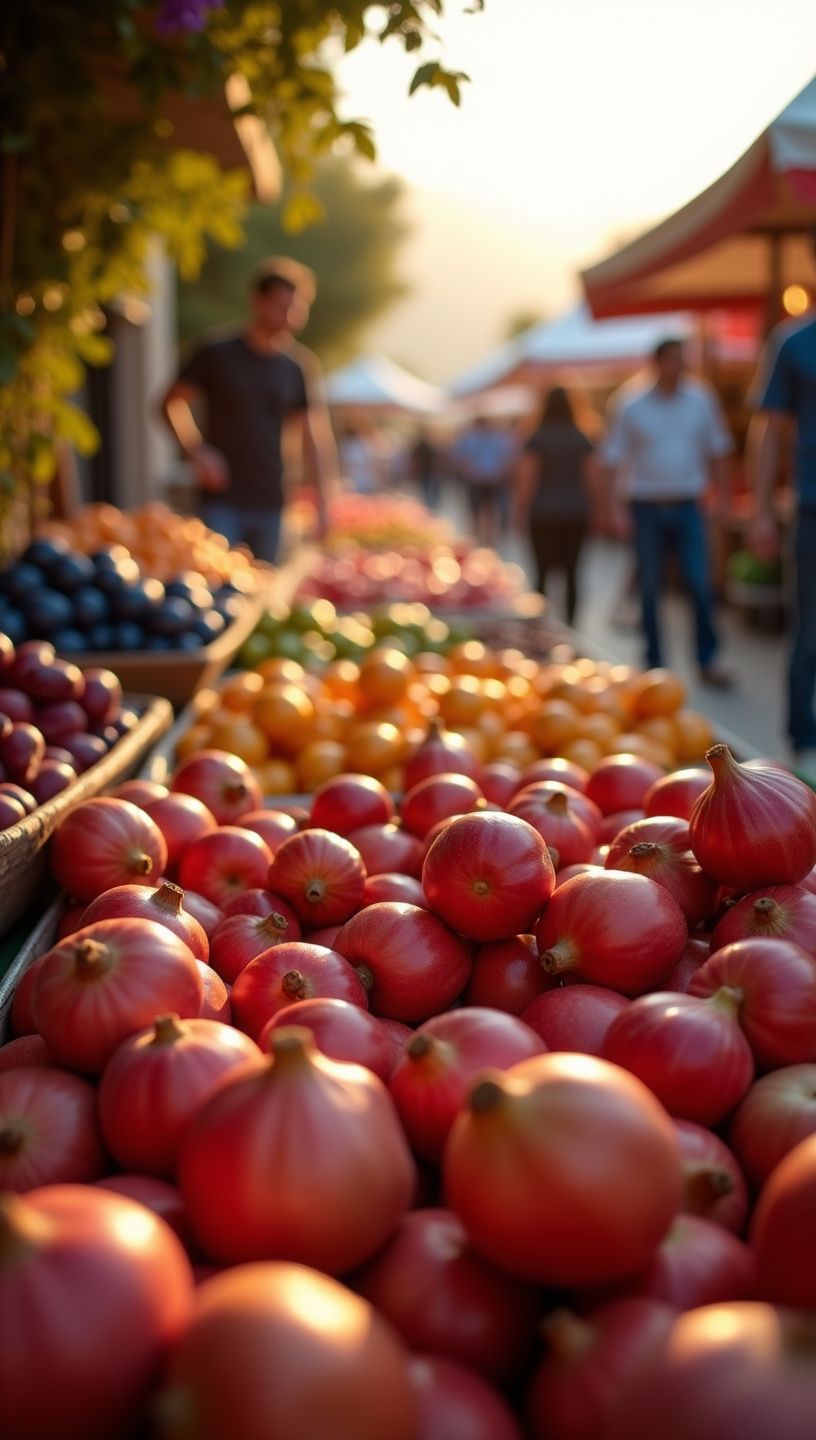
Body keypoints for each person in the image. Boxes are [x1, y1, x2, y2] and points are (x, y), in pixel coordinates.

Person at [160, 257, 334, 562]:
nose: (289, 317)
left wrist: (323, 504)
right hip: (221, 501)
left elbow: (313, 438)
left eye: (297, 308)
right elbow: (168, 404)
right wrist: (197, 451)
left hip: (272, 503)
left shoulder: (297, 367)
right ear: (257, 302)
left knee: (264, 592)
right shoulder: (215, 353)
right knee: (221, 587)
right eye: (282, 307)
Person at [601, 337, 735, 683]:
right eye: (673, 359)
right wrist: (614, 508)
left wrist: (723, 495)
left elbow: (718, 448)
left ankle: (707, 659)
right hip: (645, 505)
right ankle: (655, 662)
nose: (679, 366)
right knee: (649, 587)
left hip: (689, 503)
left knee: (700, 583)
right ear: (657, 362)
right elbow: (612, 459)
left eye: (682, 359)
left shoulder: (701, 399)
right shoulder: (631, 405)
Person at [746, 245, 816, 775]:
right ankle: (803, 741)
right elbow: (769, 430)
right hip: (812, 508)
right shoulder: (793, 341)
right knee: (809, 630)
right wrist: (763, 510)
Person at [514, 385, 596, 627]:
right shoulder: (581, 437)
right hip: (576, 513)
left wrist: (519, 512)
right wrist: (600, 510)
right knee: (573, 573)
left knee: (542, 573)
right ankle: (571, 627)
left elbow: (528, 479)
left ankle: (541, 626)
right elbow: (592, 479)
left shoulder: (538, 437)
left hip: (543, 514)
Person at [453, 417, 516, 546]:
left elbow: (460, 457)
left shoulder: (475, 438)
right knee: (483, 511)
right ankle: (484, 540)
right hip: (486, 479)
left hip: (486, 479)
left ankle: (483, 540)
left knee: (484, 511)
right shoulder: (494, 439)